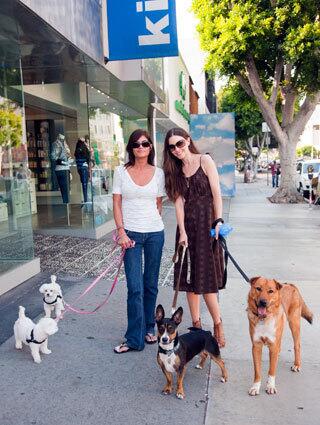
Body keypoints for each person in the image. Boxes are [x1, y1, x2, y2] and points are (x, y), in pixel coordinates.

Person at [163, 127, 225, 347]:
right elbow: (179, 204)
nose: (177, 149)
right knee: (189, 281)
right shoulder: (175, 170)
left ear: (188, 141)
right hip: (188, 228)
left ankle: (218, 323)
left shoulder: (204, 160)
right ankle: (197, 325)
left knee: (206, 279)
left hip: (207, 225)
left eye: (179, 144)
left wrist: (218, 221)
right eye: (172, 147)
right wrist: (182, 232)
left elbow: (217, 194)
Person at [112, 129, 166, 353]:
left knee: (150, 285)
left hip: (155, 233)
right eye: (136, 144)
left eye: (145, 144)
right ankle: (134, 339)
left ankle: (148, 327)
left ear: (150, 147)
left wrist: (151, 223)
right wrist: (121, 232)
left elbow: (159, 204)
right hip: (130, 235)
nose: (141, 148)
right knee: (135, 288)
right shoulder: (120, 172)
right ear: (131, 148)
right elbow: (116, 203)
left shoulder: (159, 173)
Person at [74, 137, 91, 203]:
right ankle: (85, 199)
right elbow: (88, 157)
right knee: (85, 184)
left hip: (79, 167)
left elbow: (76, 154)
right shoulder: (84, 147)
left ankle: (85, 199)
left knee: (83, 183)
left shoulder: (77, 147)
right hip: (84, 167)